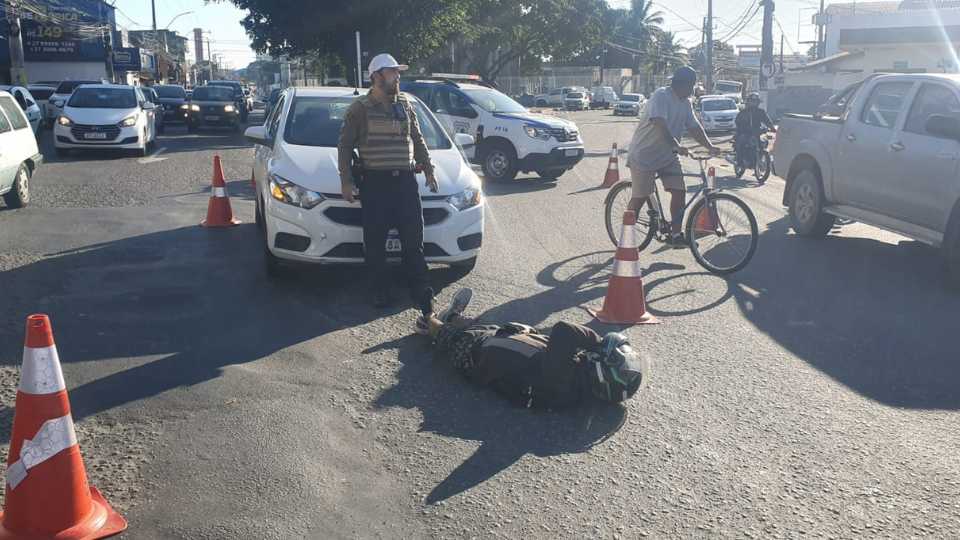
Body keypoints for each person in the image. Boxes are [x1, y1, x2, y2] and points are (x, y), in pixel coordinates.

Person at [415, 289, 648, 409]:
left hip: (477, 355)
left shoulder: (562, 377)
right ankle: (453, 317)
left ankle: (429, 321)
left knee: (457, 336)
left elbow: (564, 330)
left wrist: (598, 342)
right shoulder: (577, 381)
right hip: (506, 345)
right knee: (507, 329)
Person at [338, 53, 439, 311]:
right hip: (376, 184)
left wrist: (428, 168)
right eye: (392, 72)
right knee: (375, 243)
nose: (397, 76)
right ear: (376, 76)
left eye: (397, 72)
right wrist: (346, 181)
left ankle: (421, 290)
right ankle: (379, 291)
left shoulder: (405, 103)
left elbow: (417, 138)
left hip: (405, 182)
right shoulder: (360, 108)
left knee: (413, 240)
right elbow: (345, 146)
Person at [626, 66, 721, 248]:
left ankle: (676, 235)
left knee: (679, 191)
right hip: (644, 155)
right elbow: (659, 123)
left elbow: (694, 127)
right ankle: (626, 236)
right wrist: (676, 145)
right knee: (640, 197)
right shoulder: (661, 96)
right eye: (692, 85)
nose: (693, 89)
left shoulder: (686, 103)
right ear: (682, 84)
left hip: (668, 156)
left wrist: (710, 146)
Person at [734, 92, 777, 170]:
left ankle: (759, 158)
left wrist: (772, 128)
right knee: (742, 142)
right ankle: (740, 162)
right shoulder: (743, 112)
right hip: (745, 133)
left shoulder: (761, 112)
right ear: (748, 102)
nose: (754, 103)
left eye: (756, 101)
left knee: (764, 142)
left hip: (757, 133)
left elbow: (767, 121)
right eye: (752, 101)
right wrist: (743, 129)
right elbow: (738, 122)